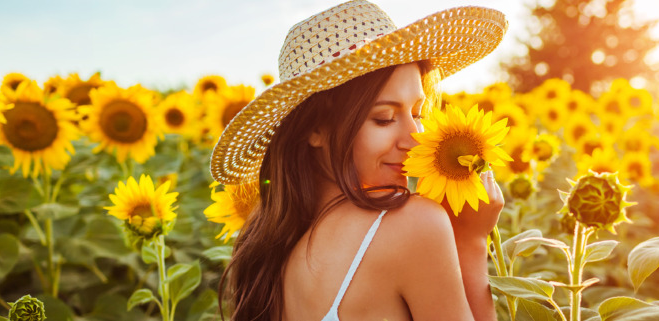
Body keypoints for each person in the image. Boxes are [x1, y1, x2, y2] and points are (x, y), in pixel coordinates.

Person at [209, 1, 508, 320]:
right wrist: (471, 240)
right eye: (384, 118)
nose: (415, 138)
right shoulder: (414, 225)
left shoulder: (274, 252)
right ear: (315, 128)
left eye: (418, 113)